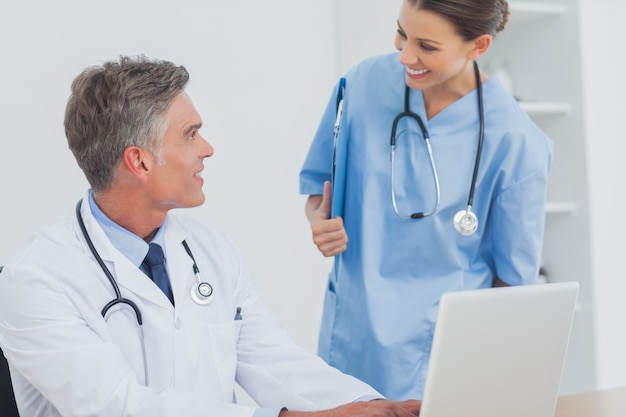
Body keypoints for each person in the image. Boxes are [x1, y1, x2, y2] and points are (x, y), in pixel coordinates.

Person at [0, 56, 422, 417]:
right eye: (190, 134)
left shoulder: (211, 251)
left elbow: (272, 360)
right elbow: (120, 407)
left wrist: (376, 406)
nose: (207, 149)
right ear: (140, 161)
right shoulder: (36, 281)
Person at [300, 0, 553, 400]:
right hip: (353, 333)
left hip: (440, 351)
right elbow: (320, 187)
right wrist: (319, 221)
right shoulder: (362, 84)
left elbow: (513, 285)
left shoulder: (516, 141)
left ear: (479, 46)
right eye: (401, 33)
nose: (405, 55)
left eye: (427, 46)